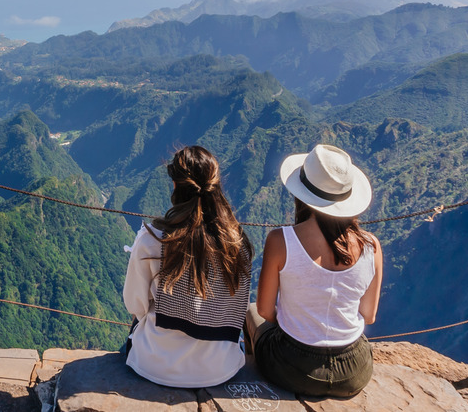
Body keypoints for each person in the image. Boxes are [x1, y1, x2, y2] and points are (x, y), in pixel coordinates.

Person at [245, 144, 383, 397]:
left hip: (292, 367)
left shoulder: (281, 240)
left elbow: (265, 311)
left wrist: (297, 324)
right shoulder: (371, 245)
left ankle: (247, 376)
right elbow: (369, 315)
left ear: (302, 194)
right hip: (354, 370)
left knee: (252, 310)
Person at [122, 145, 253, 388]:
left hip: (155, 365)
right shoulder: (237, 243)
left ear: (175, 185)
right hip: (221, 368)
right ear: (216, 182)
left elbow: (135, 304)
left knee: (137, 326)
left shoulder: (154, 240)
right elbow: (240, 305)